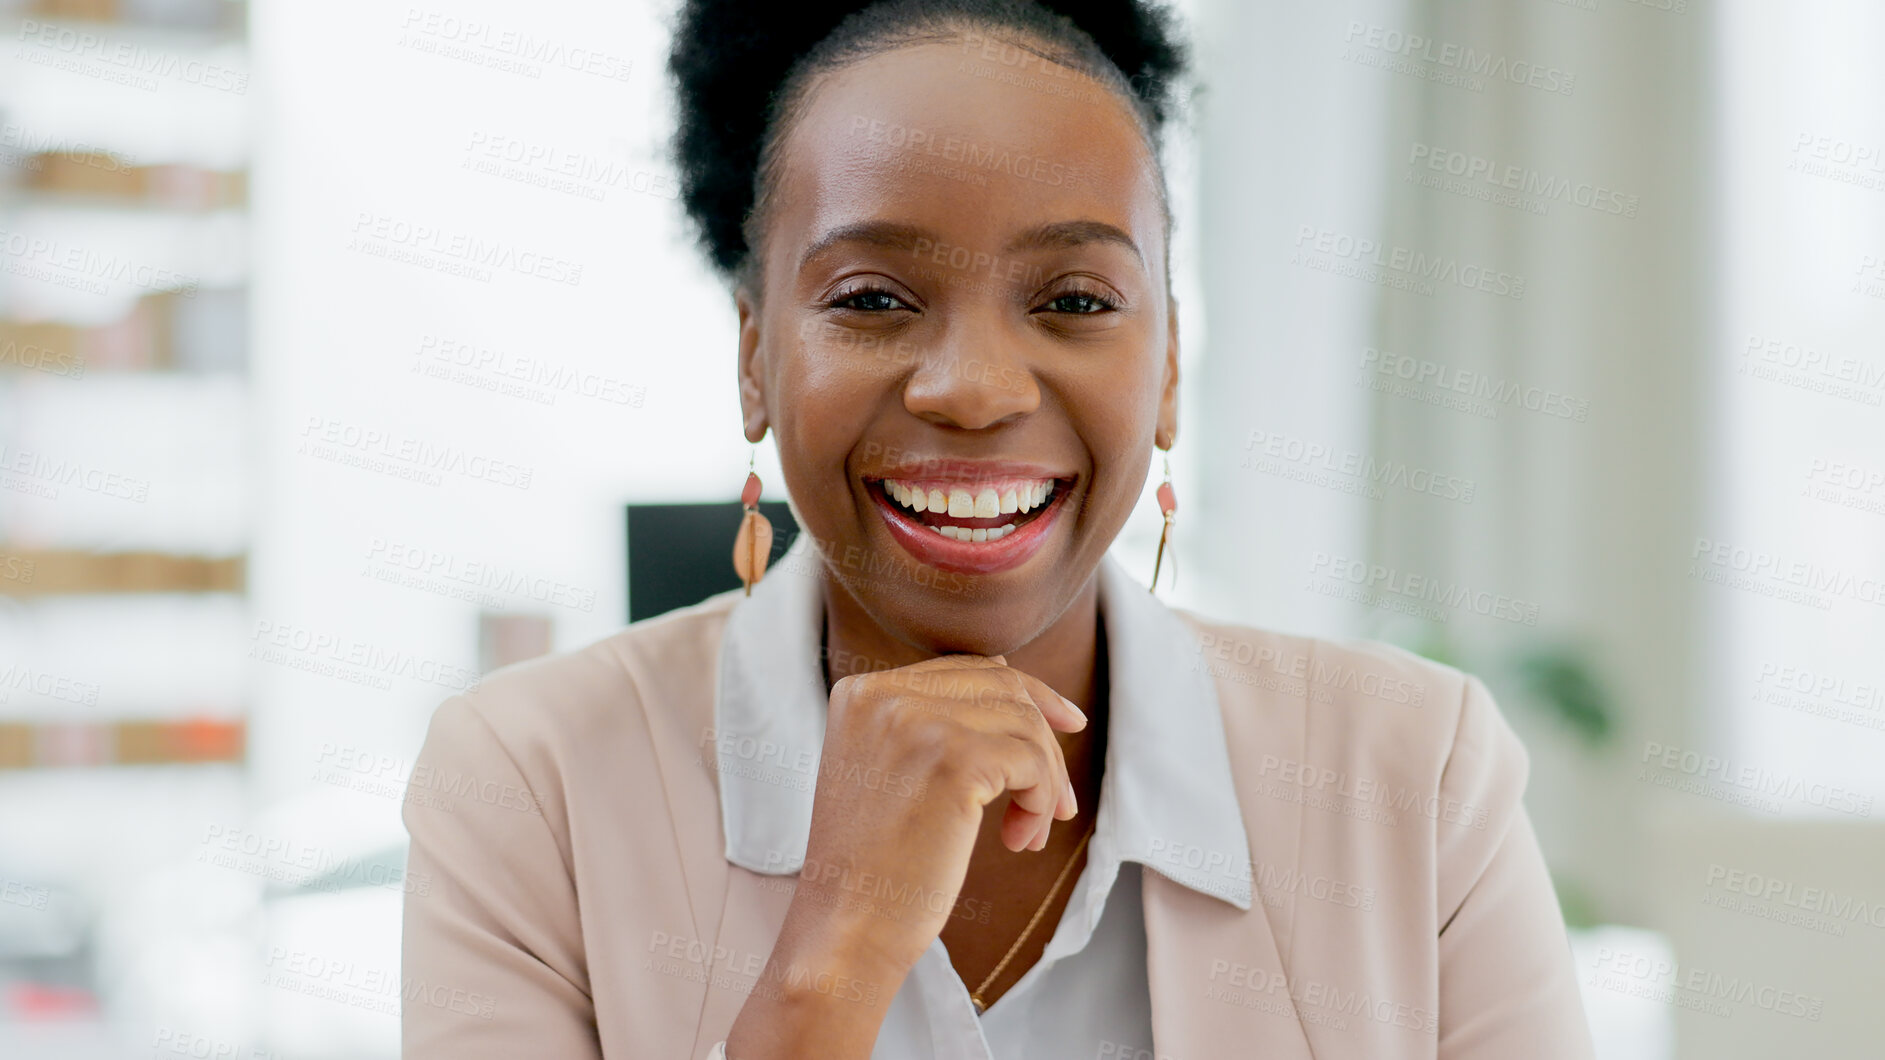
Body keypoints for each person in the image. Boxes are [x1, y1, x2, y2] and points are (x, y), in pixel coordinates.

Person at [400, 1, 1596, 1056]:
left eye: (1073, 300)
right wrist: (833, 964)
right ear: (755, 352)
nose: (973, 388)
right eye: (871, 299)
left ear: (1171, 364)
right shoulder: (529, 788)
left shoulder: (1412, 776)